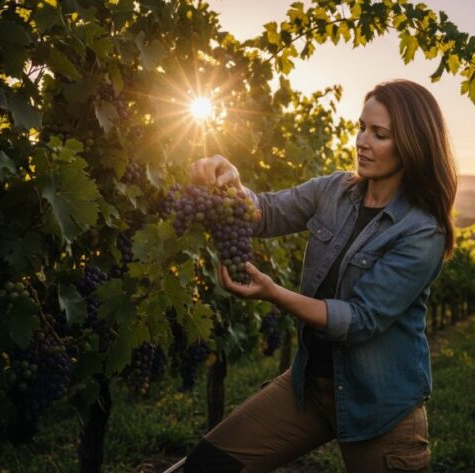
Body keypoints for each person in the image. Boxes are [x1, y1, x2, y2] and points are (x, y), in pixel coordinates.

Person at [184, 79, 457, 473]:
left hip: (379, 407)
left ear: (412, 145)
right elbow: (266, 211)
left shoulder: (421, 231)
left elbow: (360, 321)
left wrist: (274, 294)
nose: (362, 141)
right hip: (308, 388)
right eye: (361, 127)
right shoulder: (334, 189)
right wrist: (232, 183)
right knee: (208, 464)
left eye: (379, 134)